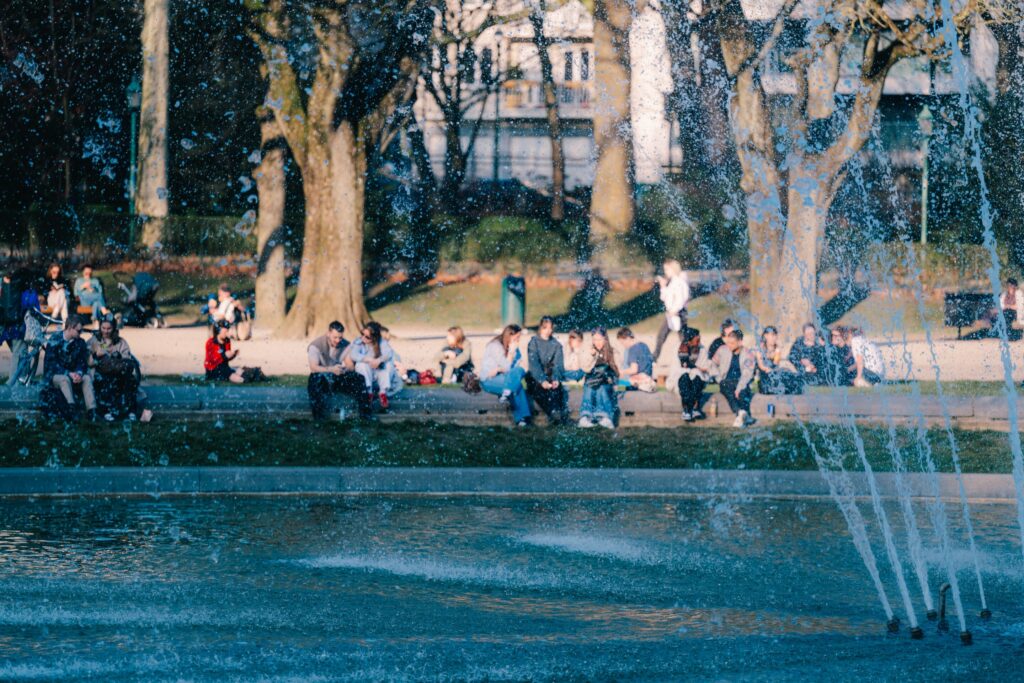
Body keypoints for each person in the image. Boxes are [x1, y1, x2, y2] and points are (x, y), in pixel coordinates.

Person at [89, 316, 152, 421]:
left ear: (114, 328)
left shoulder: (121, 342)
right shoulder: (95, 340)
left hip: (119, 371)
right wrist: (103, 349)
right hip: (100, 371)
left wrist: (116, 355)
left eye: (109, 328)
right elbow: (92, 356)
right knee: (107, 379)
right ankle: (107, 410)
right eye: (103, 328)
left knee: (129, 380)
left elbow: (126, 358)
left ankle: (130, 410)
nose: (106, 331)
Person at [307, 320, 371, 419]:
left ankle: (365, 415)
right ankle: (318, 418)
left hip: (337, 375)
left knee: (359, 378)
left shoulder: (345, 344)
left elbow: (350, 366)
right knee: (316, 379)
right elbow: (313, 367)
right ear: (328, 334)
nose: (338, 340)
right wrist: (331, 369)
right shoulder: (315, 346)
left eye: (340, 337)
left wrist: (344, 370)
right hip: (321, 375)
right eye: (335, 337)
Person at [42, 315, 96, 419]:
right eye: (78, 331)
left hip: (73, 375)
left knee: (87, 378)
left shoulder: (80, 343)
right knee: (64, 379)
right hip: (55, 376)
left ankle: (91, 410)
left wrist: (79, 373)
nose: (80, 334)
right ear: (70, 328)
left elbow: (82, 362)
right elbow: (51, 364)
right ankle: (71, 408)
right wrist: (69, 373)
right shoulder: (55, 339)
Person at [479, 324, 531, 427]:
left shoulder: (515, 349)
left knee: (519, 372)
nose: (518, 341)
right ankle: (522, 418)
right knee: (517, 386)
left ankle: (507, 392)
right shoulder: (495, 346)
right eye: (516, 338)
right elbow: (507, 368)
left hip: (505, 379)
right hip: (489, 380)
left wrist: (501, 369)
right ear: (509, 336)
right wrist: (510, 354)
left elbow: (516, 369)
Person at [709, 329, 756, 427]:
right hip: (726, 381)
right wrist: (719, 378)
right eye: (728, 342)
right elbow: (713, 364)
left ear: (740, 342)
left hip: (741, 382)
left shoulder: (748, 355)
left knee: (742, 392)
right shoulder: (722, 350)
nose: (729, 345)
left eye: (732, 343)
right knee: (728, 390)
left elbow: (747, 374)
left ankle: (741, 415)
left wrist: (739, 388)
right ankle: (741, 413)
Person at [527, 316, 569, 424]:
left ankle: (558, 413)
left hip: (550, 374)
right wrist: (542, 380)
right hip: (536, 376)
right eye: (545, 328)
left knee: (556, 389)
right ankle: (553, 412)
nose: (548, 331)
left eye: (550, 328)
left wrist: (556, 378)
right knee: (540, 390)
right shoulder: (534, 343)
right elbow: (534, 363)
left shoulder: (556, 345)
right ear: (541, 328)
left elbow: (558, 364)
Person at [348, 321, 395, 409]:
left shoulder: (381, 342)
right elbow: (353, 355)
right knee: (361, 364)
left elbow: (389, 353)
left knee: (389, 363)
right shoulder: (359, 341)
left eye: (367, 337)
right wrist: (370, 360)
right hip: (366, 374)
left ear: (374, 338)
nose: (363, 338)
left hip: (378, 374)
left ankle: (382, 393)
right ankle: (368, 393)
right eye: (362, 334)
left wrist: (379, 360)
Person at [578, 327, 618, 429]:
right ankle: (585, 417)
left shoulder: (612, 352)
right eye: (595, 339)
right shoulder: (589, 351)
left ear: (605, 339)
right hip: (591, 381)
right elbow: (586, 369)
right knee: (589, 387)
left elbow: (616, 371)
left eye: (600, 339)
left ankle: (605, 417)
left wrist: (610, 378)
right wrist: (592, 356)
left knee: (601, 388)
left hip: (606, 382)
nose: (597, 342)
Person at [653, 259, 691, 360]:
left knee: (683, 337)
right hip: (670, 313)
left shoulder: (680, 282)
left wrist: (675, 310)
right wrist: (663, 287)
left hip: (678, 313)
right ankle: (654, 358)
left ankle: (688, 357)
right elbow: (664, 298)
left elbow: (683, 297)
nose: (665, 272)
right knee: (661, 335)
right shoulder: (671, 282)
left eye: (667, 269)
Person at [756, 326, 803, 395]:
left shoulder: (777, 349)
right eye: (772, 335)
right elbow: (761, 365)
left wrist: (776, 354)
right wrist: (767, 369)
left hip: (774, 373)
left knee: (787, 373)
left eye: (775, 335)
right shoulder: (760, 349)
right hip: (765, 377)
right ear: (765, 336)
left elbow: (775, 364)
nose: (774, 338)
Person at [677, 326, 710, 421]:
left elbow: (704, 366)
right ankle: (687, 410)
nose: (699, 342)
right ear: (689, 340)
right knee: (685, 380)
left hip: (698, 375)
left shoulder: (702, 349)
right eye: (697, 340)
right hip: (682, 375)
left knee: (697, 380)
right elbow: (682, 366)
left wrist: (697, 369)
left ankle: (694, 408)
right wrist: (695, 368)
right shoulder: (681, 348)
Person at [616, 327, 655, 391]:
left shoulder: (632, 349)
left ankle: (637, 386)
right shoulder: (643, 345)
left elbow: (634, 369)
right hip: (648, 376)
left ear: (628, 338)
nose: (623, 345)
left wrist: (621, 372)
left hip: (639, 379)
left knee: (616, 386)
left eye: (622, 342)